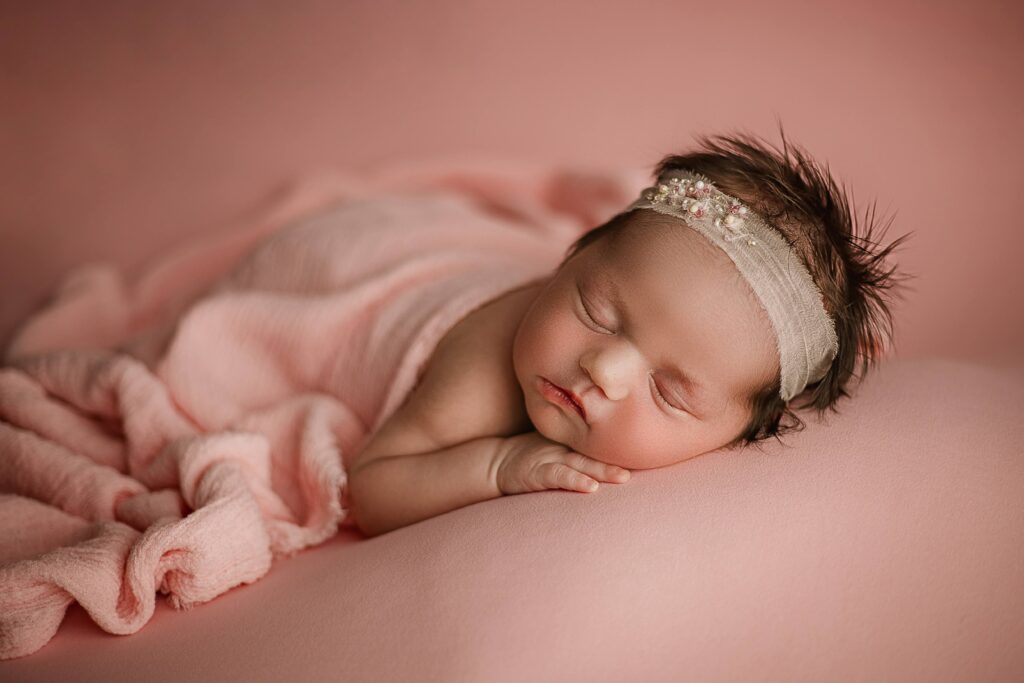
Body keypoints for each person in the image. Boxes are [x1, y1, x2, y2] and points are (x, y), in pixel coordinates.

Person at [347, 129, 912, 536]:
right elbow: (370, 491)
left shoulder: (731, 365)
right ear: (570, 258)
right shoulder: (478, 379)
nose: (605, 370)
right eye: (596, 313)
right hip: (361, 273)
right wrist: (497, 465)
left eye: (668, 391)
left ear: (741, 431)